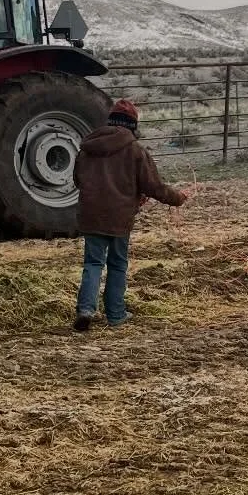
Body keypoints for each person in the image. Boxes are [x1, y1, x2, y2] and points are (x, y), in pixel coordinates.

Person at [73, 99, 189, 332]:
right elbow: (153, 186)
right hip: (120, 216)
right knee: (117, 264)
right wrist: (178, 198)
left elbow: (78, 180)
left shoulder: (88, 148)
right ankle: (115, 315)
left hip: (91, 215)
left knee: (93, 263)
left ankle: (86, 309)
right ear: (133, 124)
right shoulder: (135, 150)